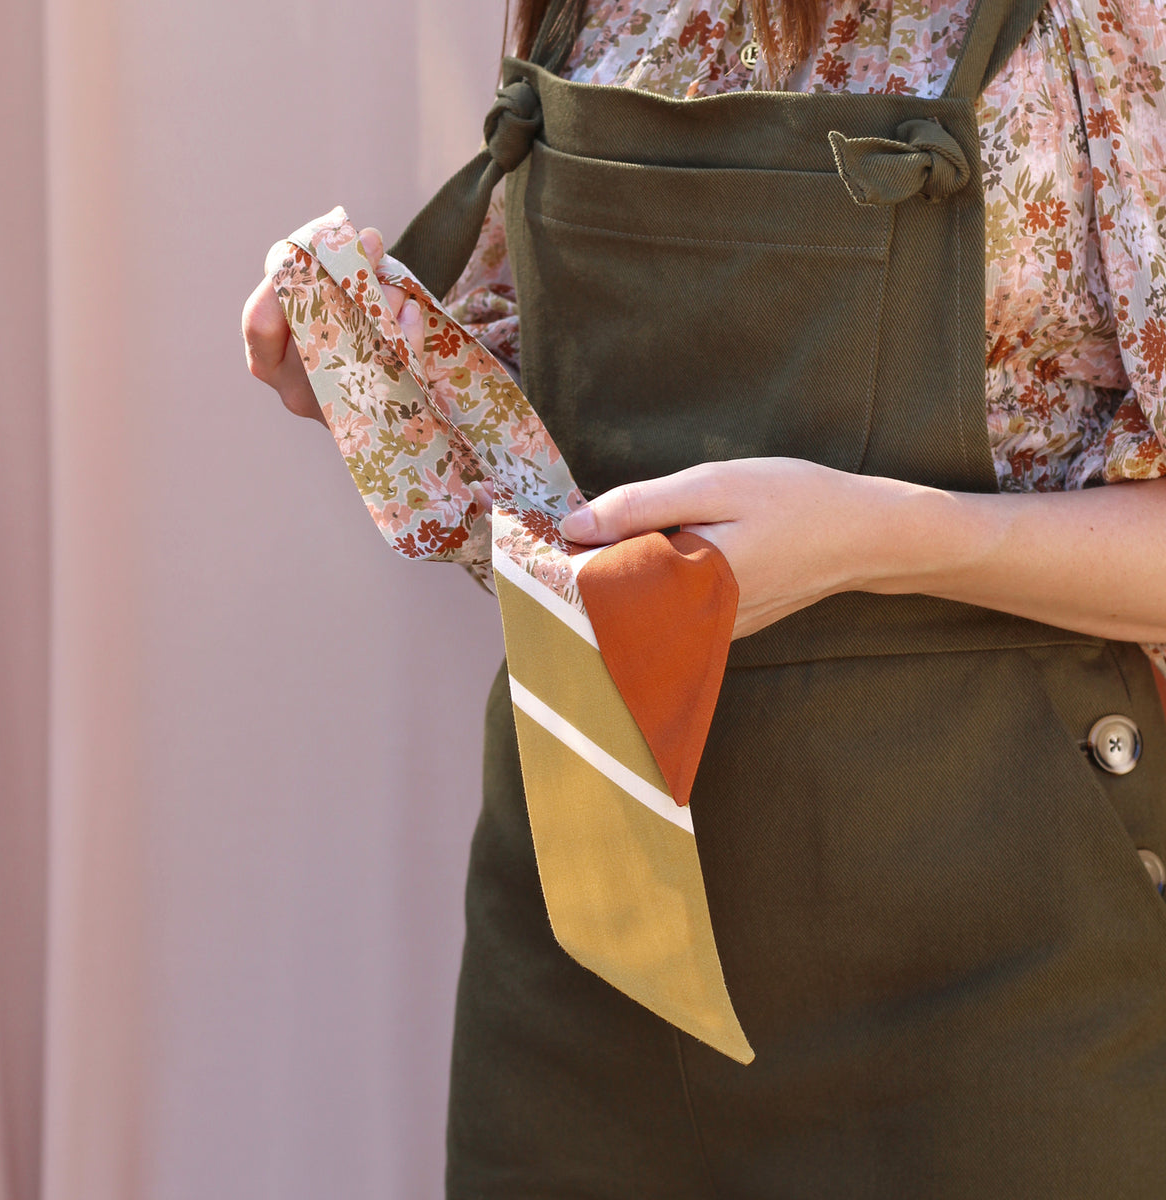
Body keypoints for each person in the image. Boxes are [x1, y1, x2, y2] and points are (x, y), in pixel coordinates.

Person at [243, 0, 1166, 1194]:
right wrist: (383, 376)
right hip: (587, 952)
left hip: (1012, 967)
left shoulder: (1105, 27)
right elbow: (580, 431)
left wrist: (884, 539)